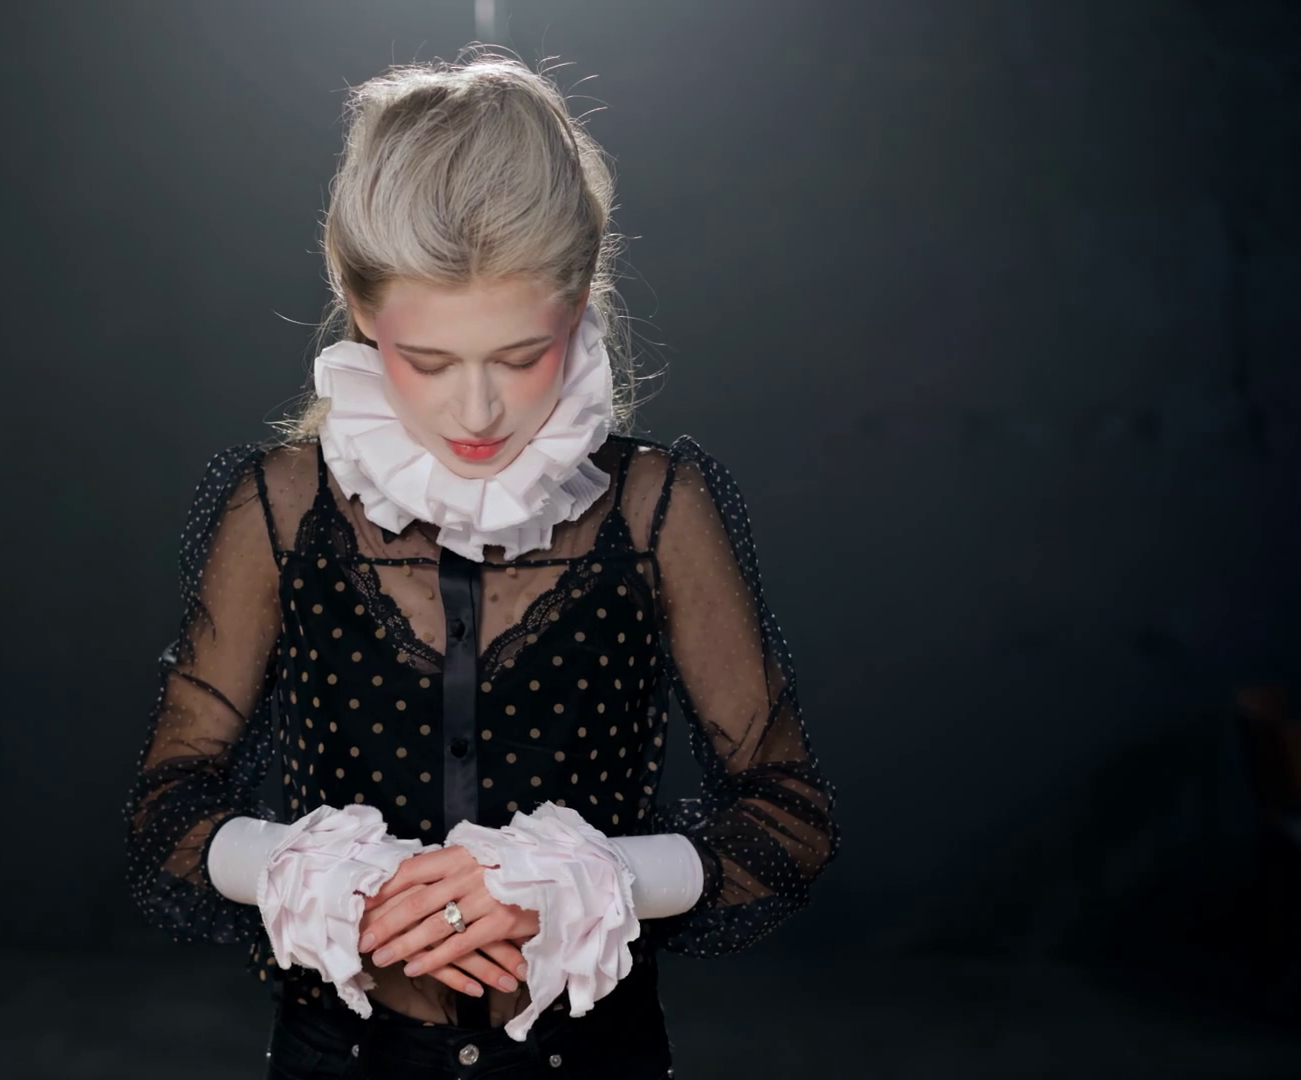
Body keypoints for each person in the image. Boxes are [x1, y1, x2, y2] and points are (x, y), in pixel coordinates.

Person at [125, 49, 838, 1080]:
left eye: (518, 359)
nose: (476, 411)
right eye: (429, 362)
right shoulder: (282, 505)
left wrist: (588, 883)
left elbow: (790, 821)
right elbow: (168, 810)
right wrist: (331, 876)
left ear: (581, 306)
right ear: (363, 311)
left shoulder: (656, 507)